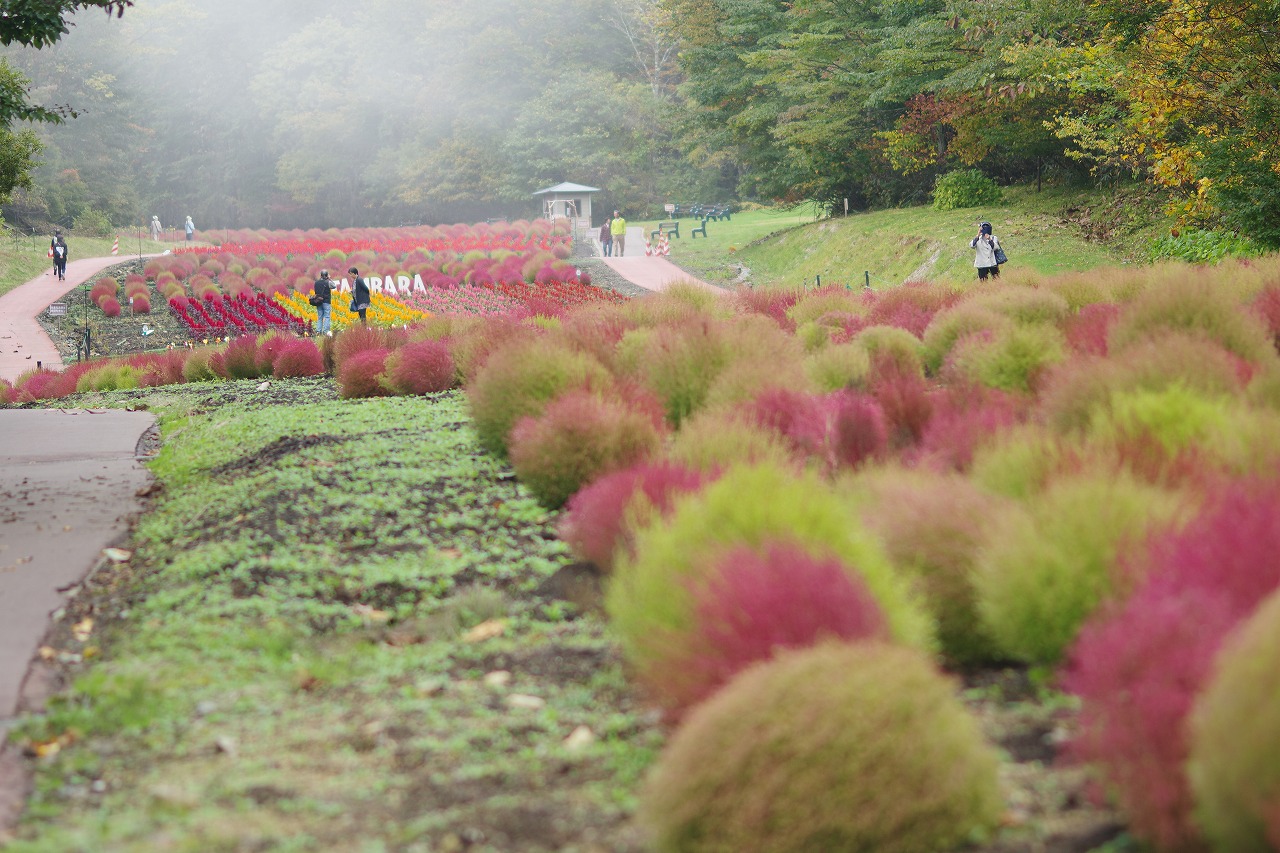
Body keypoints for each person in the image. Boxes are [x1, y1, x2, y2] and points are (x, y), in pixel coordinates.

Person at [313, 269, 333, 336]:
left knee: (320, 317)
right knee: (327, 316)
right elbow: (334, 286)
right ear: (327, 275)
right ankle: (326, 331)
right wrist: (330, 279)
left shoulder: (316, 282)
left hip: (318, 301)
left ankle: (318, 331)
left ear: (321, 275)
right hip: (326, 301)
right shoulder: (328, 282)